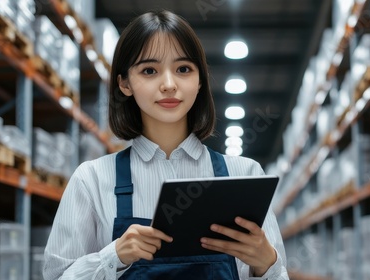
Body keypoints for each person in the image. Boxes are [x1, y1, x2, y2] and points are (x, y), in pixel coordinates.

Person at [43, 10, 289, 280]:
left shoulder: (245, 175)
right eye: (149, 70)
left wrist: (267, 265)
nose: (169, 85)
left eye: (183, 69)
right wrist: (114, 256)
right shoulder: (91, 180)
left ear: (199, 81)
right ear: (124, 83)